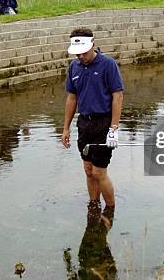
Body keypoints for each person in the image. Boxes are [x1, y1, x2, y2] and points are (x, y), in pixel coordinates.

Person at [62, 27, 124, 211]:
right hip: (84, 123)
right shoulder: (74, 67)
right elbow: (72, 98)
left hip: (103, 123)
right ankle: (94, 206)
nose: (80, 56)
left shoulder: (108, 64)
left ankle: (110, 209)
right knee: (89, 171)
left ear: (93, 45)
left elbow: (117, 96)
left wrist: (113, 129)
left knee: (99, 171)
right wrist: (66, 128)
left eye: (83, 53)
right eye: (77, 54)